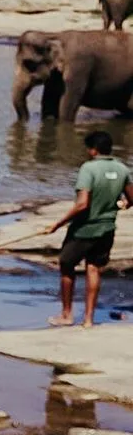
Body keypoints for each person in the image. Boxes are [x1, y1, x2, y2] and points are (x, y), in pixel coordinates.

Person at [46, 132, 133, 328]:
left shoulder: (89, 168)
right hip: (107, 229)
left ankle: (67, 315)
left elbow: (82, 204)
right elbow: (132, 199)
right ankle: (88, 320)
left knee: (66, 266)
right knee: (93, 269)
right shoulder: (122, 169)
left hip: (84, 229)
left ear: (93, 150)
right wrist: (120, 205)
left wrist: (57, 224)